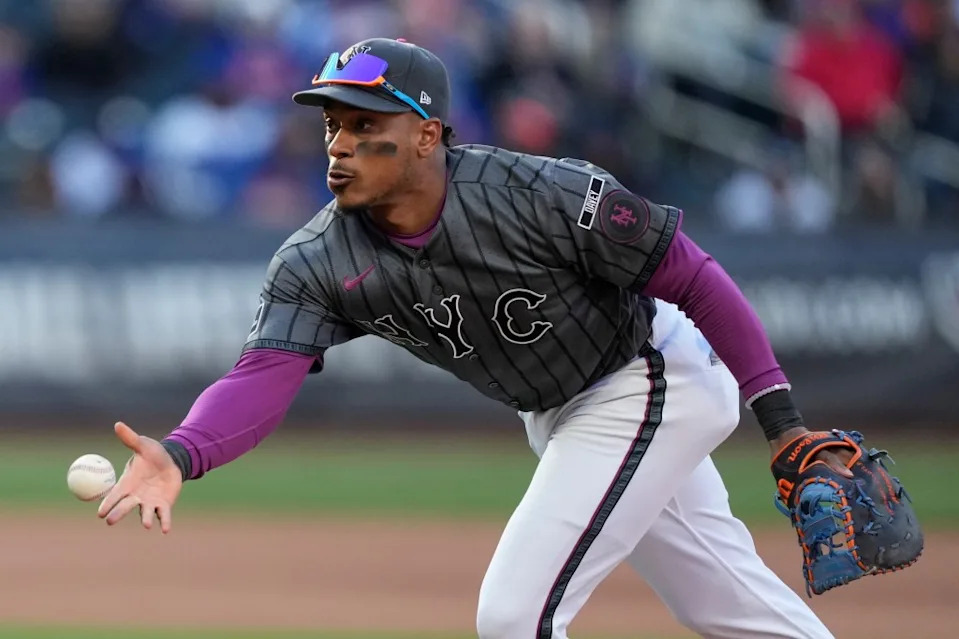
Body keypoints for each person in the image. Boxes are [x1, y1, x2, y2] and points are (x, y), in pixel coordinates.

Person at [97, 38, 840, 639]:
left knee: (515, 615)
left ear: (426, 135)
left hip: (647, 377)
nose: (338, 145)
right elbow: (261, 374)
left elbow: (690, 274)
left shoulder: (537, 194)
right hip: (561, 411)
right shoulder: (317, 259)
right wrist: (184, 450)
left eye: (364, 126)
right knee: (725, 606)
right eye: (331, 124)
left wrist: (781, 425)